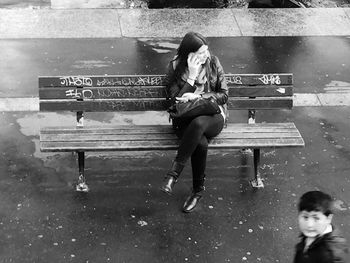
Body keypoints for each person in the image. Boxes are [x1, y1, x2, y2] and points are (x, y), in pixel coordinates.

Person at [160, 32, 228, 213]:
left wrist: (198, 96)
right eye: (200, 53)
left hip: (213, 117)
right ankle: (197, 191)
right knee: (200, 141)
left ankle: (173, 175)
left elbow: (224, 94)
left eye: (206, 50)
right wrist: (191, 77)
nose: (205, 55)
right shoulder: (175, 67)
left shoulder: (213, 62)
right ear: (188, 54)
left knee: (199, 124)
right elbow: (174, 102)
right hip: (185, 121)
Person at [294, 190, 348, 263]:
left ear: (328, 219)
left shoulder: (330, 254)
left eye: (316, 218)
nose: (309, 225)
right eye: (305, 217)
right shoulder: (313, 235)